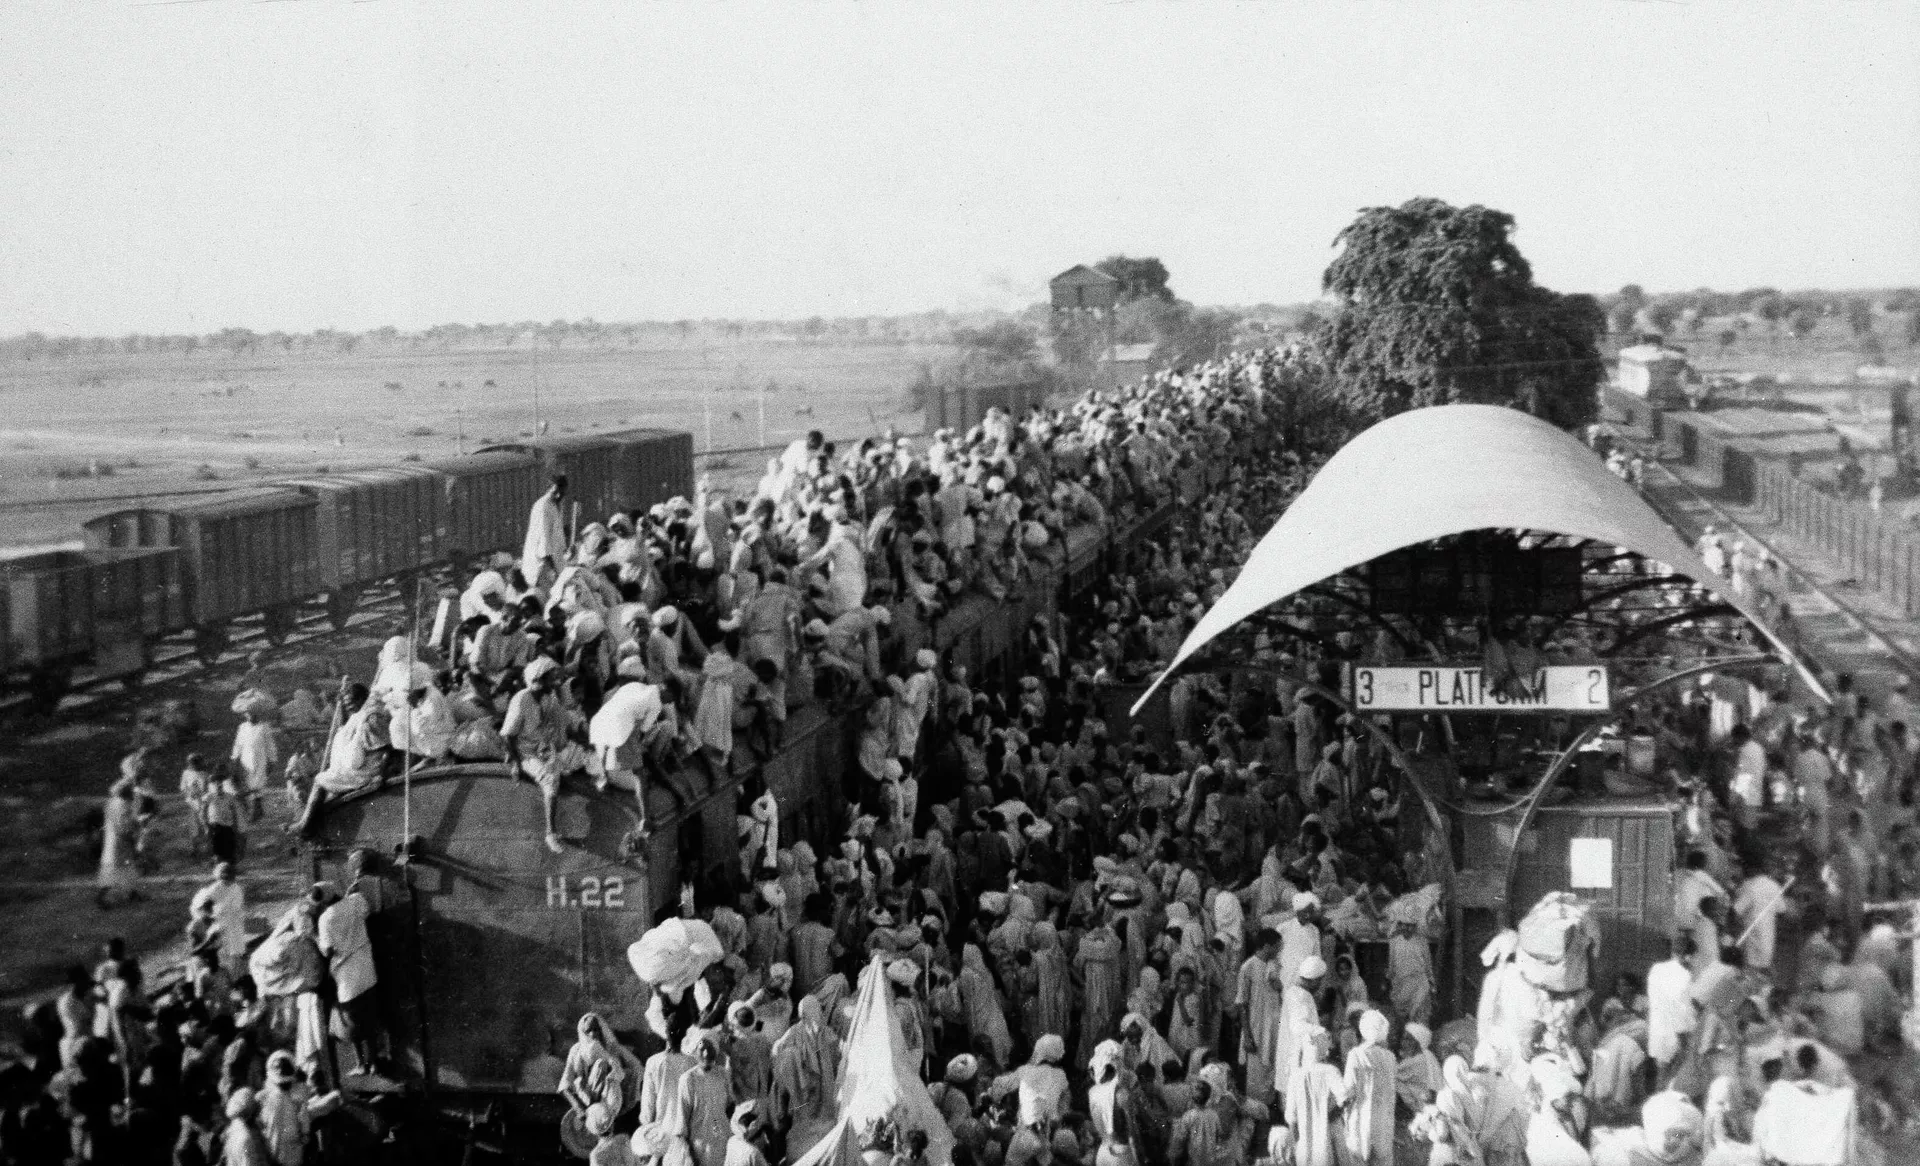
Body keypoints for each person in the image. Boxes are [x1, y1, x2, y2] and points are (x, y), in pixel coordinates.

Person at [315, 882, 381, 1075]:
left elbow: (327, 951)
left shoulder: (324, 919)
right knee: (369, 1017)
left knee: (351, 1022)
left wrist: (314, 938)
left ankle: (361, 1064)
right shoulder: (356, 901)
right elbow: (364, 911)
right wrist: (349, 896)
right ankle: (374, 1062)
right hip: (366, 967)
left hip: (347, 976)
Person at [255, 1050, 341, 1166]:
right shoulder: (295, 1097)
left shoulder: (261, 1097)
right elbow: (305, 1122)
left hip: (271, 1154)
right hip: (292, 1156)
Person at [1284, 1025, 1346, 1166]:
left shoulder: (1295, 1076)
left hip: (1305, 1141)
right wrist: (1327, 1117)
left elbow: (1291, 1118)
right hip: (1330, 1135)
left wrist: (1296, 1145)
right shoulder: (1330, 1071)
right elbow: (1344, 1099)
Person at [1343, 1010, 1396, 1166]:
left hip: (1361, 1117)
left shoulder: (1356, 1055)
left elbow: (1348, 1089)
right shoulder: (1390, 1057)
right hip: (1383, 1120)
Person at [674, 1033, 734, 1166]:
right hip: (698, 1144)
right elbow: (682, 1117)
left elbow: (729, 1105)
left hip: (721, 1137)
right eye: (702, 1049)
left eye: (710, 1049)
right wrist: (688, 1152)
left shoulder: (722, 1074)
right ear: (695, 1052)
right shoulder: (688, 1079)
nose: (706, 1054)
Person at [193, 861, 251, 978]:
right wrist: (211, 912)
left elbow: (236, 907)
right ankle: (224, 975)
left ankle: (237, 976)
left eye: (227, 874)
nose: (225, 877)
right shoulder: (214, 888)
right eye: (222, 874)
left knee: (236, 951)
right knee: (220, 950)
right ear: (218, 875)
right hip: (219, 922)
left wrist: (222, 909)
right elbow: (204, 904)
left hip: (233, 923)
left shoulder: (236, 889)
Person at [97, 777, 142, 908]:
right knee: (120, 868)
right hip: (120, 841)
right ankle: (103, 896)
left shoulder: (112, 803)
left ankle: (132, 893)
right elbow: (124, 825)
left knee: (121, 867)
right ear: (126, 792)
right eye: (131, 791)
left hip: (112, 839)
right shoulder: (123, 806)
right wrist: (136, 826)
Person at [524, 474, 570, 590]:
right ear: (548, 489)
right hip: (542, 566)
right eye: (555, 492)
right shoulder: (543, 506)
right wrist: (553, 568)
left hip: (553, 563)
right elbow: (544, 542)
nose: (559, 495)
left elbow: (555, 534)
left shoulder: (554, 504)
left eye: (562, 493)